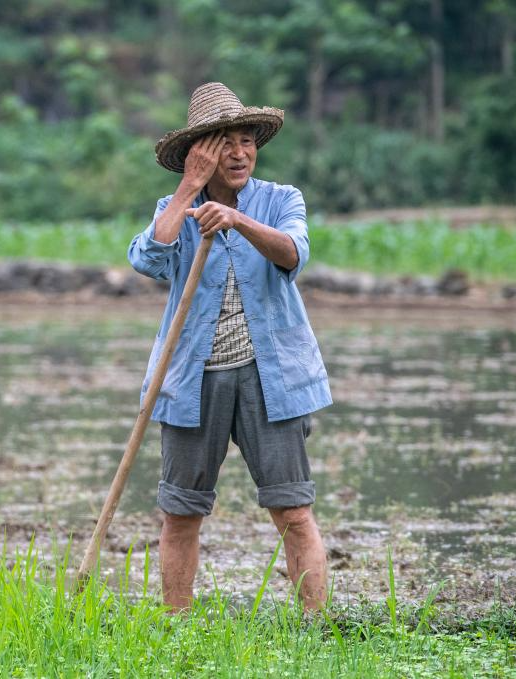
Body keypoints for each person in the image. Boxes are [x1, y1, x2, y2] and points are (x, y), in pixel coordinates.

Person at [128, 82, 333, 612]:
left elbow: (292, 254)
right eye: (225, 145)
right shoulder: (175, 209)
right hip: (191, 383)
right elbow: (147, 259)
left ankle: (316, 625)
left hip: (272, 379)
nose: (240, 153)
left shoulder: (281, 200)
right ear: (200, 155)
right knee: (181, 512)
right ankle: (177, 624)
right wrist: (188, 189)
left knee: (293, 511)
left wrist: (237, 220)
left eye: (246, 141)